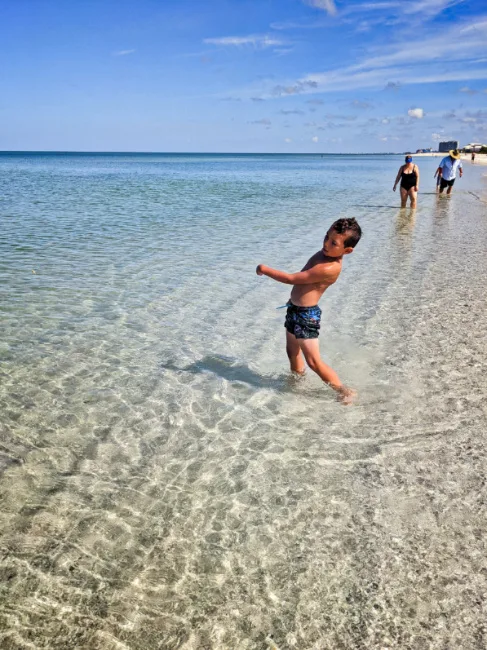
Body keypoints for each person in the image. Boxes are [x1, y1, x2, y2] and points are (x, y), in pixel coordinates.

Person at [256, 217, 362, 404]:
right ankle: (297, 382)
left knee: (313, 361)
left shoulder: (330, 267)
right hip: (294, 309)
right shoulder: (323, 254)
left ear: (347, 250)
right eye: (326, 237)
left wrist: (265, 269)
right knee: (292, 351)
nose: (326, 244)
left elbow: (292, 279)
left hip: (306, 316)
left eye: (333, 242)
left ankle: (344, 390)